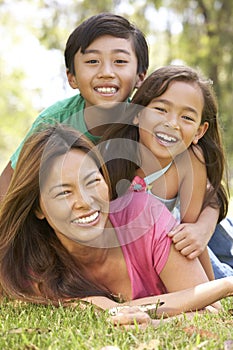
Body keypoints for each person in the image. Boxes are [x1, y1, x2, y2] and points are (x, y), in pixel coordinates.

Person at [0, 124, 233, 323]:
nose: (85, 201)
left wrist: (224, 285)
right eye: (63, 193)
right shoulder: (34, 268)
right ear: (39, 208)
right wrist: (225, 287)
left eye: (92, 181)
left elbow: (211, 312)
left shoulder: (144, 216)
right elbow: (113, 311)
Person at [99, 65, 232, 279]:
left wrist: (210, 287)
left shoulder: (190, 161)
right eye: (161, 109)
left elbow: (192, 239)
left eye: (187, 118)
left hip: (172, 249)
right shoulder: (111, 157)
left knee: (224, 275)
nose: (172, 123)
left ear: (199, 131)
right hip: (132, 257)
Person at [0, 12, 148, 199]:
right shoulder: (55, 120)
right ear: (72, 78)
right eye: (92, 61)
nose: (106, 72)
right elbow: (10, 183)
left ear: (140, 77)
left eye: (120, 61)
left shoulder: (146, 121)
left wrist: (198, 225)